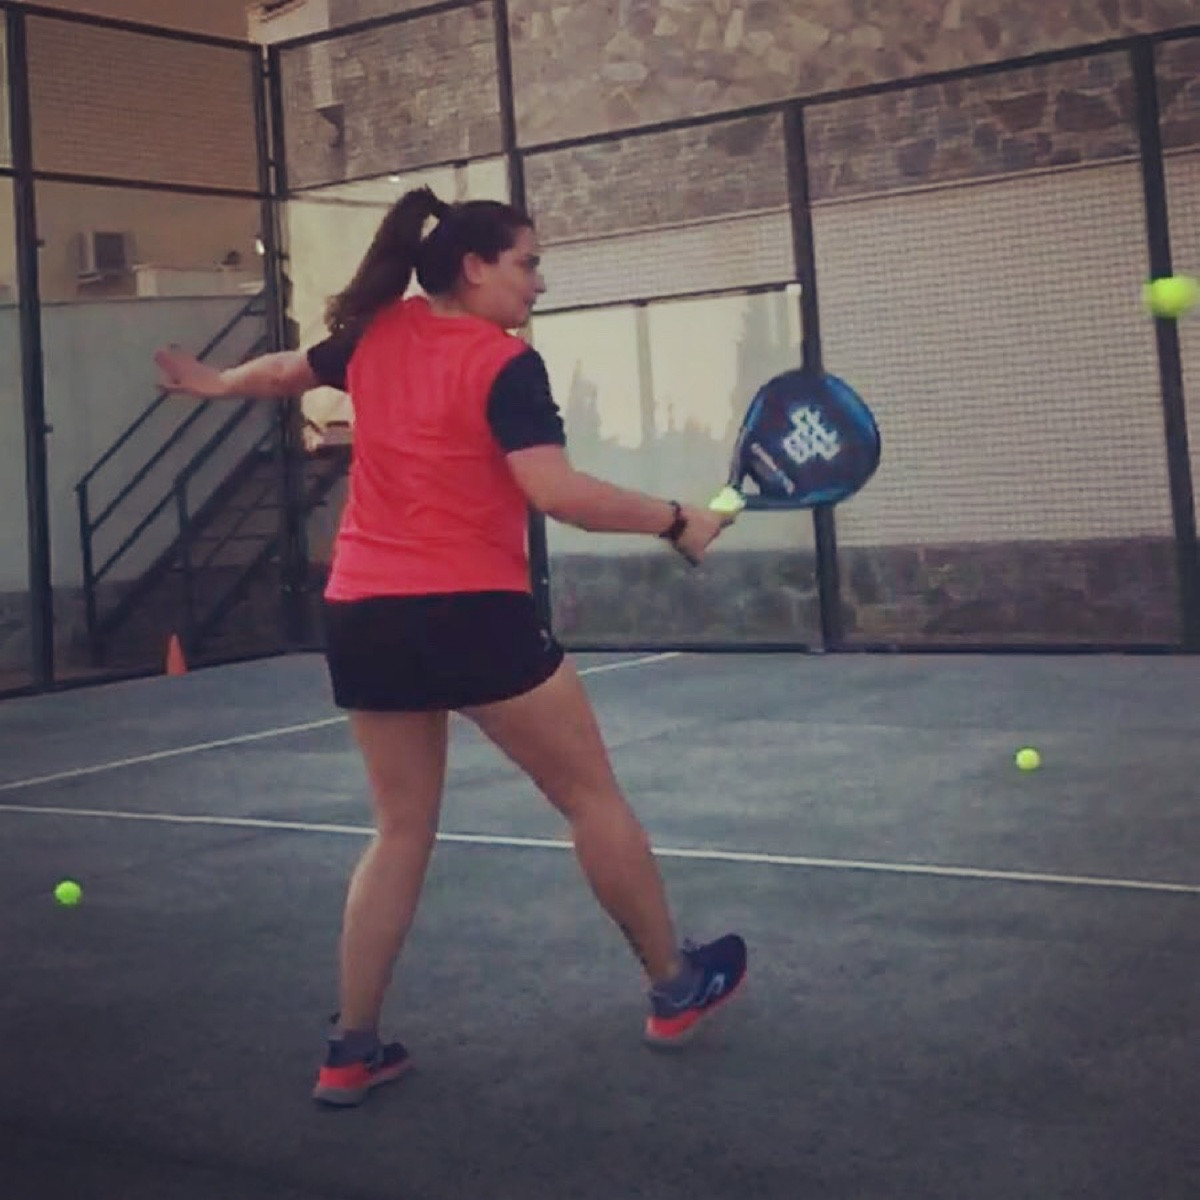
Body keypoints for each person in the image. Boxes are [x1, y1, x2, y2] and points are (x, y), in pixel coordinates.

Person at [154, 186, 748, 1109]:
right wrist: (676, 519)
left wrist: (219, 384)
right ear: (475, 267)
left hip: (362, 613)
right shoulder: (506, 363)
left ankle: (350, 1050)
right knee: (591, 798)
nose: (539, 283)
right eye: (528, 264)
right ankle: (675, 989)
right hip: (469, 608)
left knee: (398, 831)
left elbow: (286, 371)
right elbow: (554, 492)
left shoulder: (376, 336)